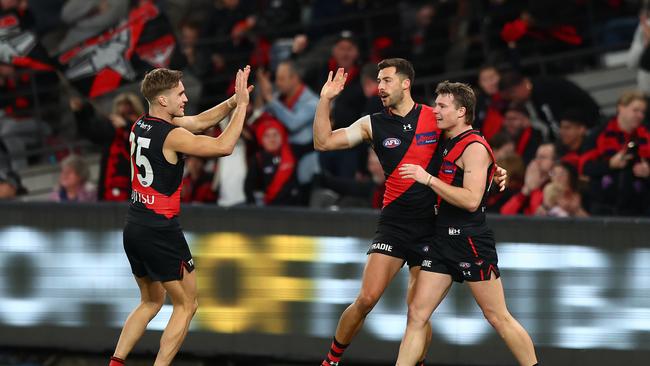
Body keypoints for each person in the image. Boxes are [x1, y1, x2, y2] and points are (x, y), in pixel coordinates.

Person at [313, 58, 507, 366]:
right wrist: (325, 101)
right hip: (395, 224)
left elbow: (471, 148)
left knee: (418, 312)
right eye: (378, 81)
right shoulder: (372, 123)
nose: (380, 88)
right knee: (366, 299)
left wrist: (494, 171)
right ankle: (331, 361)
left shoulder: (436, 117)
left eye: (387, 81)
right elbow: (323, 142)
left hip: (432, 227)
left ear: (406, 83)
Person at [109, 65, 251, 366]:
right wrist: (243, 110)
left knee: (150, 301)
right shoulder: (171, 136)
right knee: (187, 304)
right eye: (180, 93)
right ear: (163, 100)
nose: (185, 98)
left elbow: (198, 122)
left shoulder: (141, 125)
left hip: (134, 225)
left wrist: (232, 101)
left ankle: (116, 362)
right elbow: (224, 146)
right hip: (160, 229)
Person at [396, 81, 538, 366]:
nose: (435, 110)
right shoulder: (447, 140)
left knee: (497, 316)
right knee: (417, 314)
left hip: (469, 241)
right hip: (441, 240)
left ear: (461, 112)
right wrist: (492, 173)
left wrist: (428, 179)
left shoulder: (473, 146)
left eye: (442, 106)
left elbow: (472, 201)